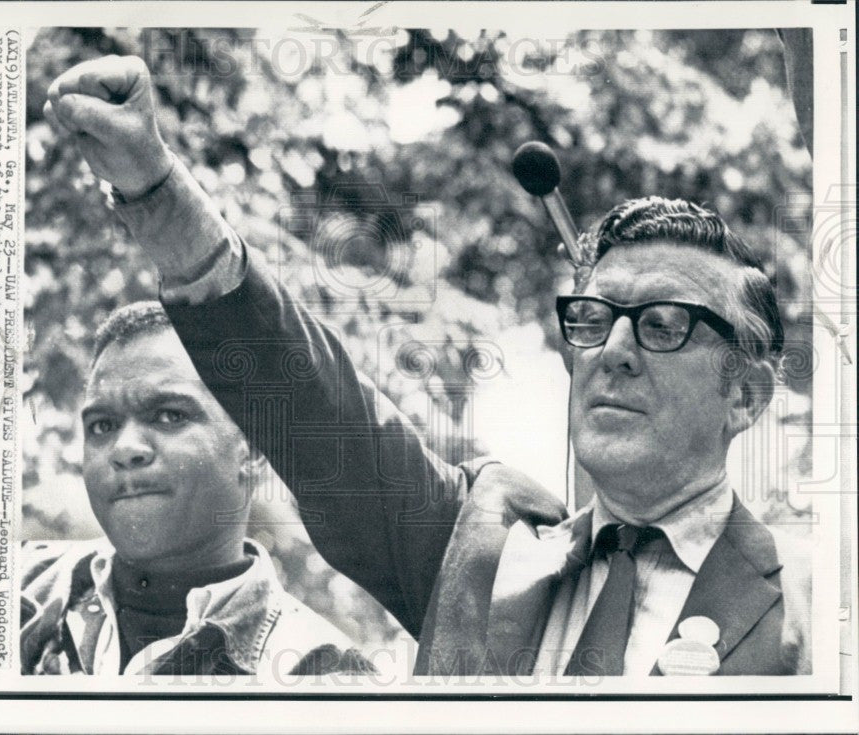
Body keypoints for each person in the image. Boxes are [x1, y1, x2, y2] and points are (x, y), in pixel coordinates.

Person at [43, 55, 811, 677]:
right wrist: (153, 189)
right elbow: (315, 409)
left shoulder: (811, 616)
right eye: (592, 319)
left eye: (663, 326)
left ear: (745, 394)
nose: (612, 351)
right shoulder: (479, 545)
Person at [20, 302, 377, 676]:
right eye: (102, 426)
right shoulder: (13, 591)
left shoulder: (317, 672)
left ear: (254, 449)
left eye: (169, 416)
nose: (124, 449)